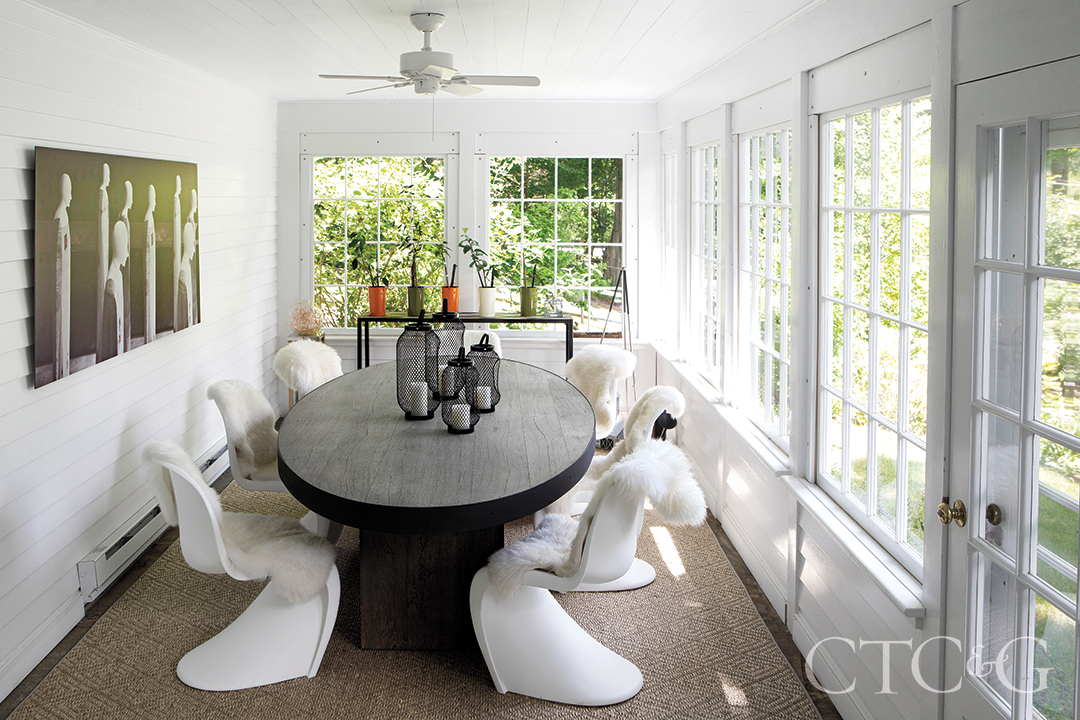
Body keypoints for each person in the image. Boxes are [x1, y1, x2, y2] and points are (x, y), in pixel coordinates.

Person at [54, 174, 71, 379]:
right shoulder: (60, 216)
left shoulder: (64, 215)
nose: (72, 195)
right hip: (60, 283)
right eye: (69, 190)